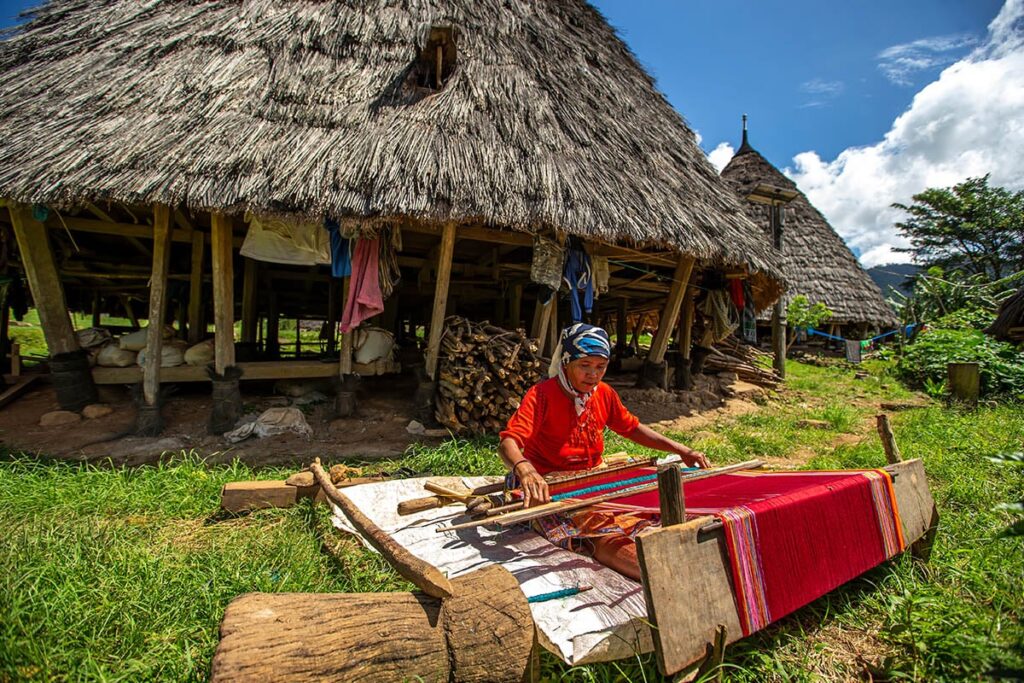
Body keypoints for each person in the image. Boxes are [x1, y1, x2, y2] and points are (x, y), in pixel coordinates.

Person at [498, 322, 709, 580]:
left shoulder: (603, 394)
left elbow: (631, 428)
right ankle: (658, 574)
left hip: (595, 479)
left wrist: (681, 449)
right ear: (566, 363)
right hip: (553, 485)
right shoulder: (541, 395)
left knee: (651, 508)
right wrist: (525, 470)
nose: (593, 375)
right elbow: (509, 442)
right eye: (584, 365)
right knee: (600, 532)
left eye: (601, 367)